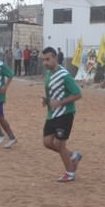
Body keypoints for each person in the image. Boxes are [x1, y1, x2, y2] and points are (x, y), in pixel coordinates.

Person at [40, 47, 83, 182]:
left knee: (59, 144)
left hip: (65, 114)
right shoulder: (48, 74)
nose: (45, 63)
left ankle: (70, 173)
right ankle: (73, 155)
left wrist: (61, 102)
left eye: (47, 59)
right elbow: (52, 93)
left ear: (54, 58)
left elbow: (78, 94)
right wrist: (47, 101)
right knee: (47, 142)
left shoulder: (64, 75)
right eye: (43, 60)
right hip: (52, 114)